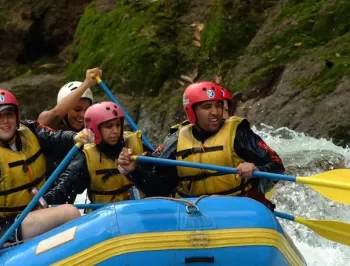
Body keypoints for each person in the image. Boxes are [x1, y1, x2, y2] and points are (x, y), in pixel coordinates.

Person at [0, 89, 93, 262]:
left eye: (9, 115)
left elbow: (54, 138)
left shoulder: (29, 131)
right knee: (69, 213)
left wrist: (75, 136)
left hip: (28, 216)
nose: (5, 121)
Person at [117, 82, 284, 210]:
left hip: (236, 208)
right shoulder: (176, 141)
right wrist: (134, 171)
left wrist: (256, 169)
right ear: (192, 112)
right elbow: (159, 189)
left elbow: (277, 167)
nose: (215, 112)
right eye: (207, 107)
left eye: (218, 105)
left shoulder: (239, 134)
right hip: (194, 211)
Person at [44, 101, 150, 205]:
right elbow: (64, 190)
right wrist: (44, 201)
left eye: (118, 125)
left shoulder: (135, 144)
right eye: (109, 126)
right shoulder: (86, 157)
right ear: (95, 129)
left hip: (137, 210)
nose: (115, 131)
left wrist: (136, 170)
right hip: (105, 216)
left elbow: (157, 179)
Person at [37, 68, 102, 132]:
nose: (83, 115)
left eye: (87, 110)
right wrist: (87, 83)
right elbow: (57, 113)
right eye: (77, 109)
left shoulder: (92, 127)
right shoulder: (47, 120)